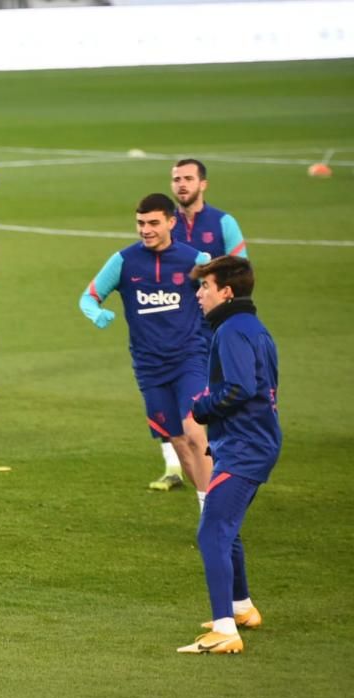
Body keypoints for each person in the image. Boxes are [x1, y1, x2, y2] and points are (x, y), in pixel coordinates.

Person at [78, 193, 213, 509]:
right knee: (178, 440)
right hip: (149, 368)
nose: (146, 229)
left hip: (189, 359)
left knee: (195, 432)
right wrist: (95, 313)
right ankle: (205, 499)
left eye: (153, 223)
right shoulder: (124, 261)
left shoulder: (195, 261)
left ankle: (214, 511)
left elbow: (222, 296)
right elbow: (88, 296)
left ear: (171, 221)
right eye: (140, 223)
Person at [177, 255, 280, 654]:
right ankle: (240, 609)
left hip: (245, 449)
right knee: (225, 527)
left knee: (212, 531)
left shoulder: (232, 331)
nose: (199, 294)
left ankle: (224, 631)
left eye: (206, 287)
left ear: (227, 292)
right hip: (250, 442)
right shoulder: (253, 328)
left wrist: (203, 406)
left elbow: (239, 388)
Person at [148, 158, 252, 491]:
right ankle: (177, 467)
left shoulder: (223, 223)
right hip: (177, 328)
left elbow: (241, 270)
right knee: (173, 395)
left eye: (188, 178)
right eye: (176, 179)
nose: (181, 184)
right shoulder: (164, 224)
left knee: (221, 395)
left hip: (218, 325)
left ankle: (225, 461)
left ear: (202, 183)